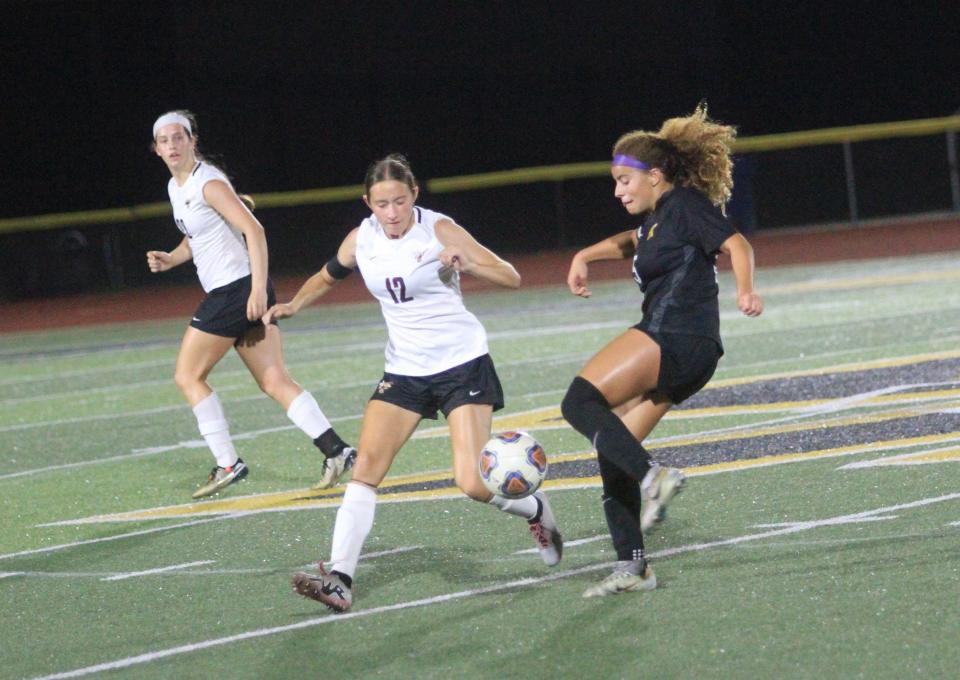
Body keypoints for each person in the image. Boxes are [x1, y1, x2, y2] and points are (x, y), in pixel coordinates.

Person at [263, 154, 563, 612]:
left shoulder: (440, 230)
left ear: (414, 196)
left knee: (472, 484)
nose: (392, 212)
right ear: (368, 203)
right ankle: (340, 578)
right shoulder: (361, 238)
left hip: (462, 365)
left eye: (400, 201)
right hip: (404, 371)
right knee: (365, 471)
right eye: (382, 204)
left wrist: (467, 263)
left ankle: (536, 510)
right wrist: (293, 305)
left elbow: (512, 276)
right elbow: (328, 275)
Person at [560, 105, 763, 598]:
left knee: (579, 402)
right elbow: (632, 242)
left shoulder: (686, 205)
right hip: (690, 350)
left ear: (655, 176)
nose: (617, 191)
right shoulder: (658, 219)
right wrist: (585, 255)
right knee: (614, 455)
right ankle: (634, 569)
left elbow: (738, 245)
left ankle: (655, 476)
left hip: (675, 334)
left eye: (624, 181)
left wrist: (745, 290)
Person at [147, 110, 356, 499]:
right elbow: (198, 236)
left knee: (187, 376)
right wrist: (171, 258)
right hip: (239, 289)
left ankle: (228, 462)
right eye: (165, 140)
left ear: (193, 141)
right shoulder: (178, 187)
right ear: (156, 149)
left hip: (235, 291)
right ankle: (337, 450)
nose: (172, 145)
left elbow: (254, 231)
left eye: (179, 137)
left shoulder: (207, 182)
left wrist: (258, 288)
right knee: (274, 380)